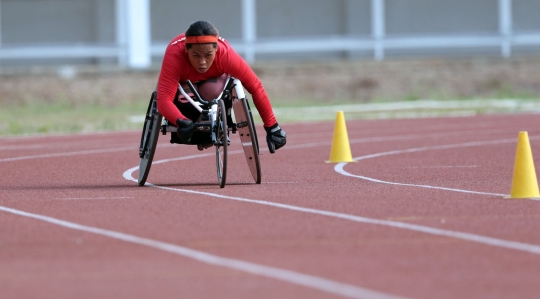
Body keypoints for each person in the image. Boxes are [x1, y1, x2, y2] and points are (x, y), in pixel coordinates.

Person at [156, 20, 286, 153]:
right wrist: (181, 121)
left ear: (216, 49)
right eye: (196, 55)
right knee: (186, 96)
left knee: (213, 91)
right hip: (185, 85)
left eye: (208, 55)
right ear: (186, 49)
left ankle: (211, 130)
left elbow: (255, 86)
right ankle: (197, 130)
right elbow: (163, 100)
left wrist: (272, 126)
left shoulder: (226, 55)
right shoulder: (175, 55)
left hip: (213, 85)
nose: (202, 62)